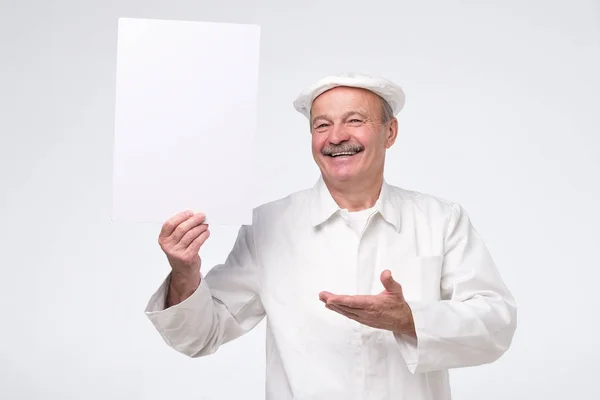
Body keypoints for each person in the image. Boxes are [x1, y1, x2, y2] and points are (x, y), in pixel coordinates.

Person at [145, 73, 517, 400]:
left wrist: (409, 319)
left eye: (354, 120)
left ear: (390, 132)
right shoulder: (269, 225)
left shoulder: (440, 219)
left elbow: (496, 323)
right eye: (321, 125)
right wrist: (184, 272)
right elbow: (199, 335)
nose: (336, 137)